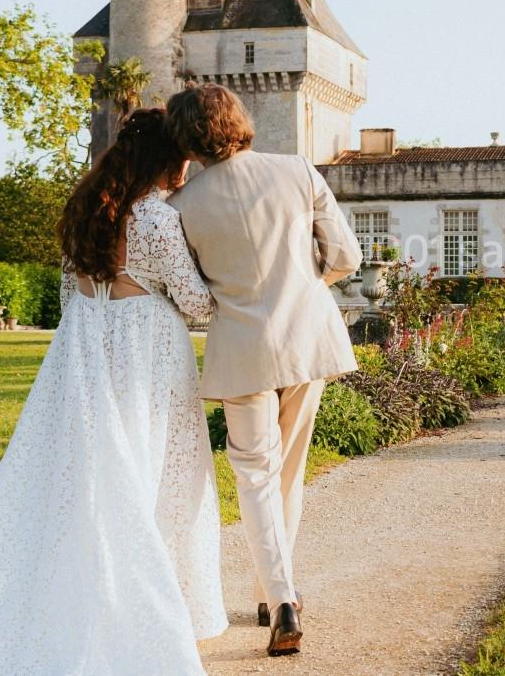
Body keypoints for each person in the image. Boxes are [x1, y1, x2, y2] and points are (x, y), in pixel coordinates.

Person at [0, 108, 225, 676]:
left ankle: (67, 582)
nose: (186, 172)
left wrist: (92, 336)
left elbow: (72, 294)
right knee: (159, 473)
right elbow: (196, 304)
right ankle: (160, 606)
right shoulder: (157, 219)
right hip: (146, 348)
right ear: (162, 162)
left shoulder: (83, 212)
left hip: (81, 346)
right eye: (181, 162)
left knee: (82, 472)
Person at [166, 83, 362, 657]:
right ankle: (272, 593)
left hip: (241, 347)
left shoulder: (180, 207)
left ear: (185, 138)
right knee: (289, 470)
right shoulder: (297, 170)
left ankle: (278, 597)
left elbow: (191, 292)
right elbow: (345, 257)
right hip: (307, 338)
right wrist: (305, 286)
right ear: (239, 119)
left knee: (253, 473)